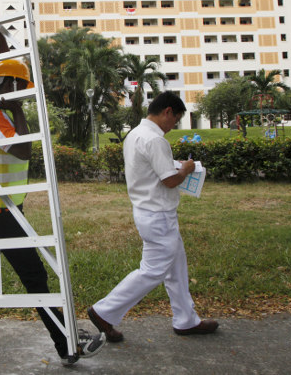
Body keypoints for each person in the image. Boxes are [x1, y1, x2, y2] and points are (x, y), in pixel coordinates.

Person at [0, 27, 104, 366]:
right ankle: (67, 342)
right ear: (11, 88)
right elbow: (22, 152)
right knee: (34, 275)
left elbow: (6, 66)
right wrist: (18, 112)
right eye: (22, 87)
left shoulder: (0, 106)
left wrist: (1, 33)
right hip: (0, 210)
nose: (25, 92)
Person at [87, 91, 218, 342]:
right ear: (167, 112)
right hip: (159, 215)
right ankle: (105, 311)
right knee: (153, 270)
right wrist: (187, 169)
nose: (173, 126)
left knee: (176, 267)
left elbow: (154, 170)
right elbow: (169, 181)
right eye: (176, 120)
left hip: (147, 211)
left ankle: (186, 319)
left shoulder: (135, 134)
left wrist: (174, 166)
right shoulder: (156, 140)